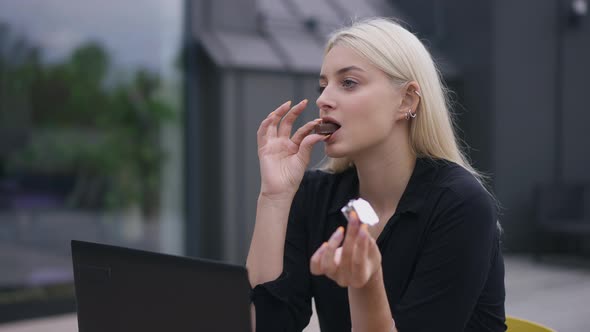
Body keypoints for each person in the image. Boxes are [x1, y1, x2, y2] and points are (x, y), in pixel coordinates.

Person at [246, 17, 506, 332]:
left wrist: (365, 282)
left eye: (349, 83)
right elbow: (267, 326)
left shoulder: (461, 204)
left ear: (407, 100)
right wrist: (274, 197)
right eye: (323, 85)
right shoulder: (315, 193)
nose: (323, 99)